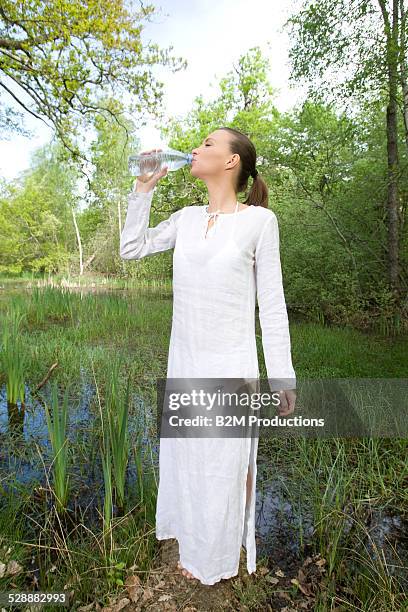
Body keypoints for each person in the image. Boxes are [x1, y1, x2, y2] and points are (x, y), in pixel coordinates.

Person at [120, 127, 296, 585]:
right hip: (186, 364)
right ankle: (192, 548)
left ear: (232, 162)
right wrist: (142, 189)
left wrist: (282, 377)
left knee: (222, 470)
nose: (195, 150)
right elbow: (131, 248)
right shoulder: (186, 218)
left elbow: (272, 305)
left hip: (230, 371)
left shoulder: (259, 222)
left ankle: (215, 562)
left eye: (208, 145)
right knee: (188, 464)